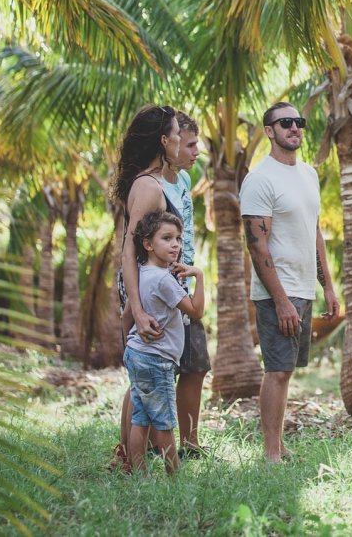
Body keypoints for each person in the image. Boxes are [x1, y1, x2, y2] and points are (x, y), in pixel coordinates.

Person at [241, 102, 341, 463]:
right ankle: (270, 453)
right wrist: (280, 299)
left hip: (303, 288)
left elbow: (314, 231)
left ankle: (279, 445)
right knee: (277, 370)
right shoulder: (260, 179)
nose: (294, 128)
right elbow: (257, 246)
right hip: (276, 293)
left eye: (298, 122)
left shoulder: (308, 175)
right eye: (285, 123)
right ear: (269, 131)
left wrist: (327, 285)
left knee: (287, 372)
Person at [109, 104, 182, 471]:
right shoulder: (149, 187)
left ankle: (126, 457)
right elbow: (129, 251)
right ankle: (126, 457)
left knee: (141, 379)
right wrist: (135, 309)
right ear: (164, 141)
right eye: (177, 134)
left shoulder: (149, 182)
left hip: (149, 290)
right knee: (142, 378)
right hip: (144, 293)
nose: (182, 140)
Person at [123, 210, 205, 475]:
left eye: (179, 239)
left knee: (140, 420)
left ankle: (140, 474)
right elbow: (196, 310)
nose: (176, 245)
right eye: (167, 238)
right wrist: (199, 276)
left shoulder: (142, 273)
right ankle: (174, 479)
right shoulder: (164, 280)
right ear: (148, 244)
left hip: (137, 353)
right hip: (157, 359)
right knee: (165, 424)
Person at [162, 112, 210, 457]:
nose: (196, 151)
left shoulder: (183, 181)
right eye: (190, 143)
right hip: (158, 288)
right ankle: (135, 446)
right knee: (154, 370)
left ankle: (190, 445)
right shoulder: (148, 183)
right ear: (170, 142)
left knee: (196, 364)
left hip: (184, 284)